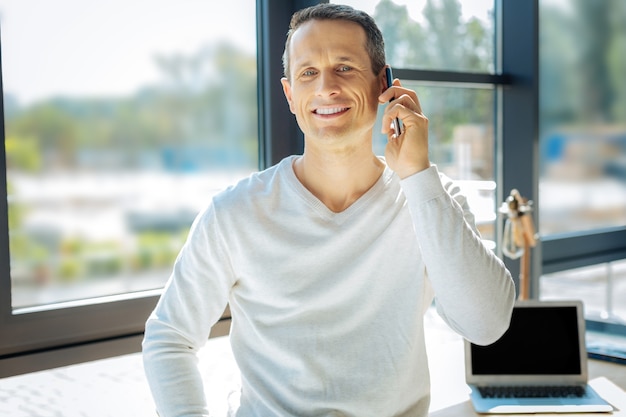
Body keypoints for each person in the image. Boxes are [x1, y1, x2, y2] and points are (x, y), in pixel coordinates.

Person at [142, 3, 515, 416]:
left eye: (344, 68)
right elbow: (169, 336)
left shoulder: (429, 197)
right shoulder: (235, 212)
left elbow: (487, 325)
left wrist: (418, 176)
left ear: (383, 83)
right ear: (290, 94)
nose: (326, 89)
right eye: (307, 73)